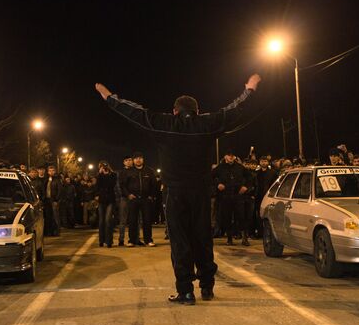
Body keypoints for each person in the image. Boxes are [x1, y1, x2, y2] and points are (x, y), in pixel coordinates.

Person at [95, 73, 261, 304]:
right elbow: (234, 111)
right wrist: (249, 89)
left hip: (175, 192)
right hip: (201, 191)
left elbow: (136, 113)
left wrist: (110, 98)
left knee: (180, 240)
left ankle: (186, 291)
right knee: (202, 237)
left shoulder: (165, 124)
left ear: (174, 111)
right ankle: (207, 287)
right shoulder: (207, 123)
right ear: (198, 111)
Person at [213, 150, 251, 246]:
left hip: (238, 195)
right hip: (225, 196)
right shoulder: (220, 168)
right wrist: (218, 184)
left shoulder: (240, 167)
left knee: (241, 217)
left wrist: (246, 186)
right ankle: (229, 239)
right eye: (229, 155)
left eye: (232, 156)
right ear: (225, 156)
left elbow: (250, 177)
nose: (231, 157)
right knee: (227, 217)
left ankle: (244, 238)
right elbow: (210, 177)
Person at [119, 152, 158, 247]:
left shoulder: (149, 171)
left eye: (140, 158)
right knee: (132, 220)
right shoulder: (129, 171)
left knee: (147, 220)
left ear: (143, 159)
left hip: (145, 199)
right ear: (133, 160)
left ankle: (148, 240)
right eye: (136, 158)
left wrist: (151, 196)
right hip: (133, 199)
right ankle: (131, 240)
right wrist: (128, 195)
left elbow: (154, 185)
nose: (138, 160)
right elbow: (123, 185)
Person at [96, 161, 117, 247]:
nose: (103, 168)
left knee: (108, 220)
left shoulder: (113, 175)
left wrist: (106, 174)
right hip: (101, 200)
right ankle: (101, 240)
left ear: (108, 166)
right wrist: (100, 174)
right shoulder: (99, 175)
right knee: (101, 222)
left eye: (105, 166)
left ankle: (109, 241)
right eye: (101, 167)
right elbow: (98, 186)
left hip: (110, 200)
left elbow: (111, 185)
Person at [256, 156, 277, 237]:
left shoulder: (273, 173)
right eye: (262, 161)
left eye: (265, 161)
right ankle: (260, 233)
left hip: (269, 196)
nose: (263, 163)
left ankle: (269, 233)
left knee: (269, 215)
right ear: (259, 162)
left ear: (268, 162)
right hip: (259, 196)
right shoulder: (257, 173)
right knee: (259, 215)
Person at [116, 156, 133, 245]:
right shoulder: (121, 172)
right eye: (126, 160)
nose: (129, 162)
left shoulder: (135, 171)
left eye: (130, 160)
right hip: (124, 198)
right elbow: (121, 185)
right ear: (124, 162)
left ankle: (134, 238)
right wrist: (127, 194)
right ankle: (121, 239)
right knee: (123, 220)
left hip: (134, 198)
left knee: (134, 220)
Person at [44, 165, 63, 236]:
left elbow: (60, 190)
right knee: (49, 216)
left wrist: (56, 200)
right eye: (50, 171)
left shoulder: (57, 179)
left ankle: (57, 231)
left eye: (52, 170)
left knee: (56, 217)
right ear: (48, 172)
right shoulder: (47, 179)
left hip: (54, 200)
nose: (51, 172)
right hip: (47, 200)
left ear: (55, 171)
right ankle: (49, 231)